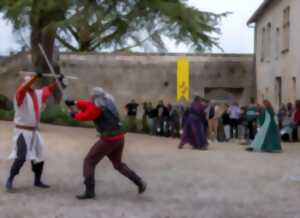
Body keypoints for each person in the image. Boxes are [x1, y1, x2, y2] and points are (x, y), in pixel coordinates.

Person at [66, 87, 147, 200]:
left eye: (93, 96)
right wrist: (75, 102)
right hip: (119, 138)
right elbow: (88, 105)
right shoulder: (108, 102)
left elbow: (86, 115)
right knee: (118, 164)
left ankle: (89, 191)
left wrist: (74, 115)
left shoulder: (98, 108)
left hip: (109, 140)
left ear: (96, 97)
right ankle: (139, 181)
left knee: (89, 161)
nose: (91, 98)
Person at [5, 72, 57, 192]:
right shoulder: (20, 94)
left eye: (33, 82)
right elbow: (24, 88)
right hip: (22, 131)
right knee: (21, 156)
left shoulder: (37, 94)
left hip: (34, 132)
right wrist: (34, 77)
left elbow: (48, 89)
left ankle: (37, 180)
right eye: (30, 82)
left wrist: (60, 82)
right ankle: (10, 179)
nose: (32, 84)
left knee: (39, 155)